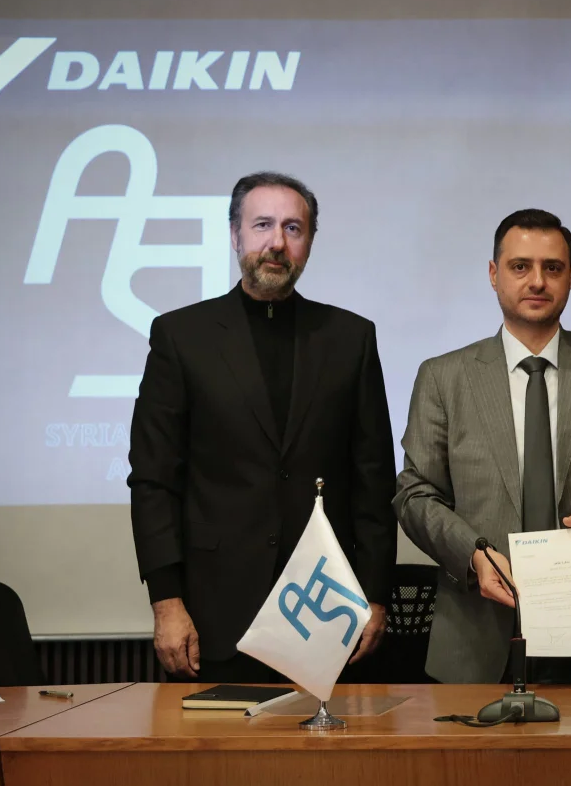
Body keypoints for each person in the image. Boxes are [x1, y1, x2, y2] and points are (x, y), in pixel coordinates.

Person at [129, 172, 397, 682]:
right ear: (235, 236)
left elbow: (374, 481)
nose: (277, 241)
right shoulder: (181, 336)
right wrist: (166, 602)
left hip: (328, 612)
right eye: (262, 225)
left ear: (309, 242)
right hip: (212, 616)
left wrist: (376, 596)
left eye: (293, 228)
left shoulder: (351, 338)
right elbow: (153, 480)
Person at [395, 209, 571, 684]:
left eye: (553, 268)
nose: (537, 281)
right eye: (520, 266)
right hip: (477, 635)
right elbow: (415, 494)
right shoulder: (443, 377)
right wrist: (474, 554)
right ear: (493, 274)